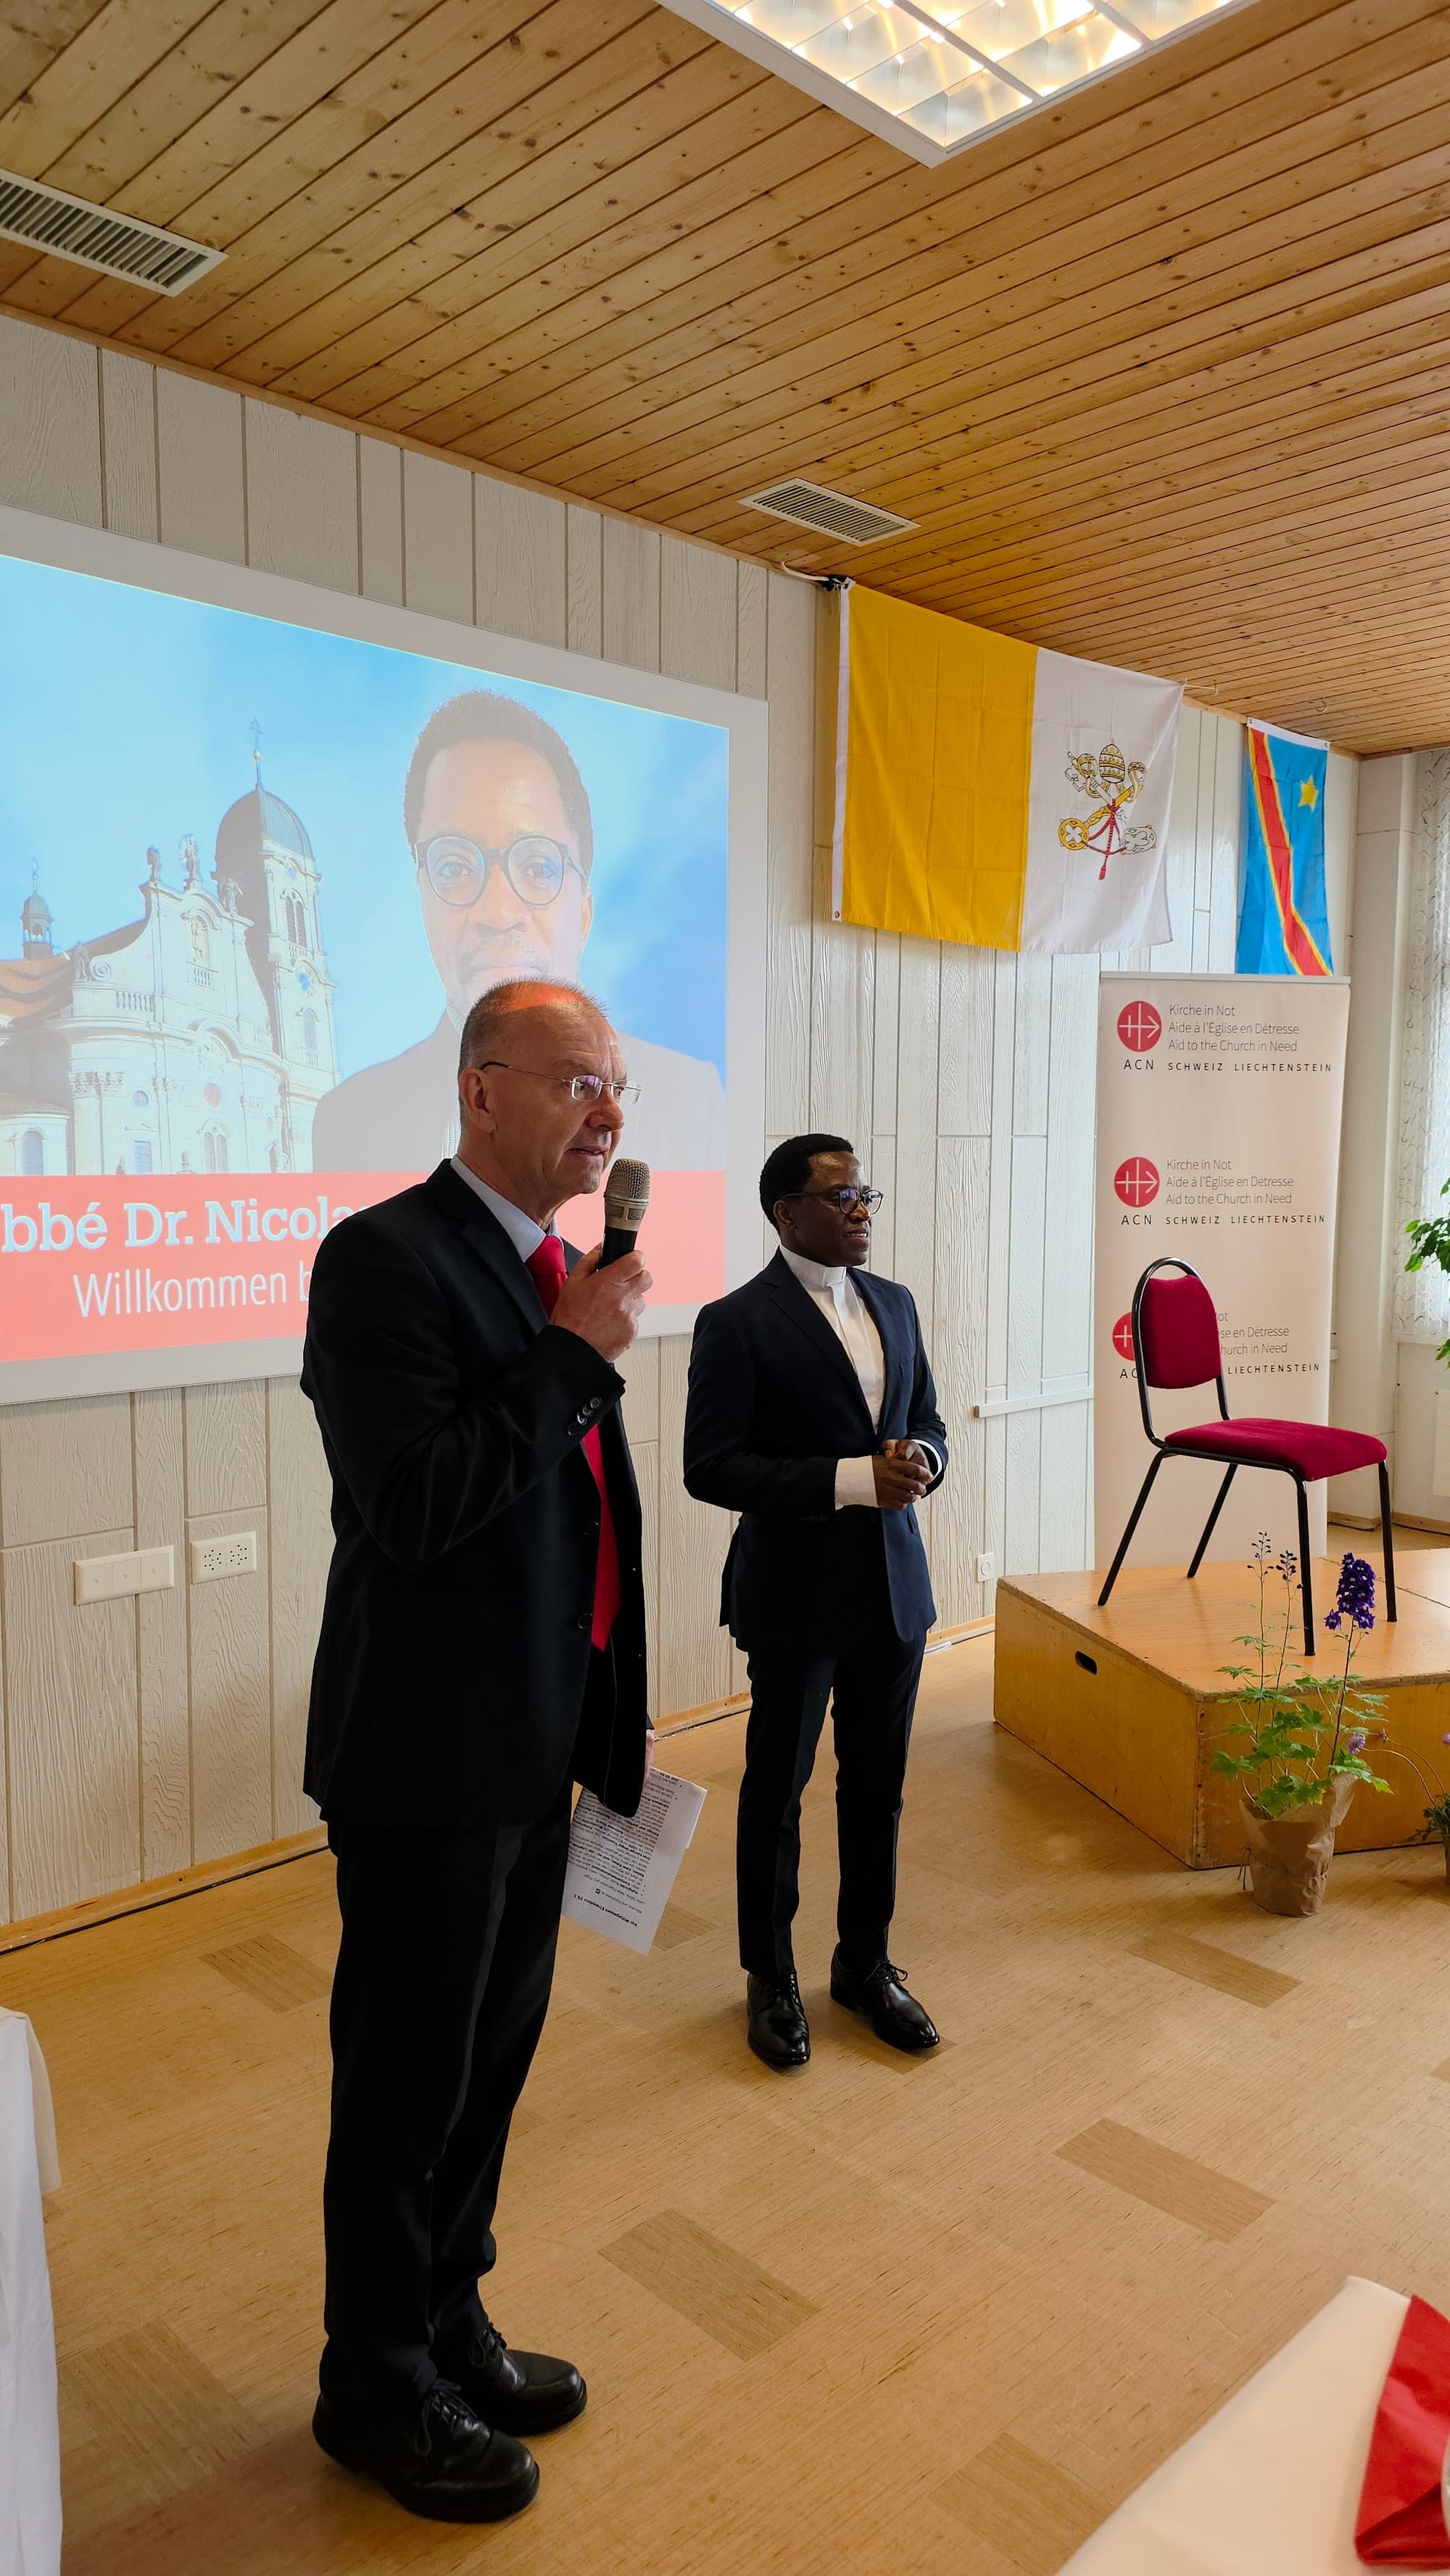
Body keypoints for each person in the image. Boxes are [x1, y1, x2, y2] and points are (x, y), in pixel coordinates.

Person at [301, 978, 653, 2523]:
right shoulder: (380, 1261)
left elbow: (574, 1524)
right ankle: (373, 2388)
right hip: (425, 1761)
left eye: (618, 1088)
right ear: (482, 1093)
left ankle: (448, 2323)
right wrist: (573, 1354)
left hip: (528, 1747)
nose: (610, 1114)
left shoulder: (552, 1270)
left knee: (488, 2074)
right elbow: (420, 1506)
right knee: (403, 2091)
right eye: (581, 1083)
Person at [683, 1134, 948, 2073]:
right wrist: (847, 1479)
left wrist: (927, 1461)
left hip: (894, 1593)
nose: (862, 1209)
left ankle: (864, 1966)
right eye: (841, 1197)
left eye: (866, 1193)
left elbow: (928, 1423)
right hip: (796, 1598)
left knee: (877, 1792)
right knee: (778, 1795)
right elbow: (709, 1466)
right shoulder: (736, 1322)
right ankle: (772, 1979)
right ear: (785, 1213)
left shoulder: (897, 1306)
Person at [310, 690, 725, 1173]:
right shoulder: (350, 1120)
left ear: (585, 913)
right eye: (453, 867)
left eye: (538, 867)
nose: (498, 910)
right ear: (421, 897)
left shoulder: (691, 1104)